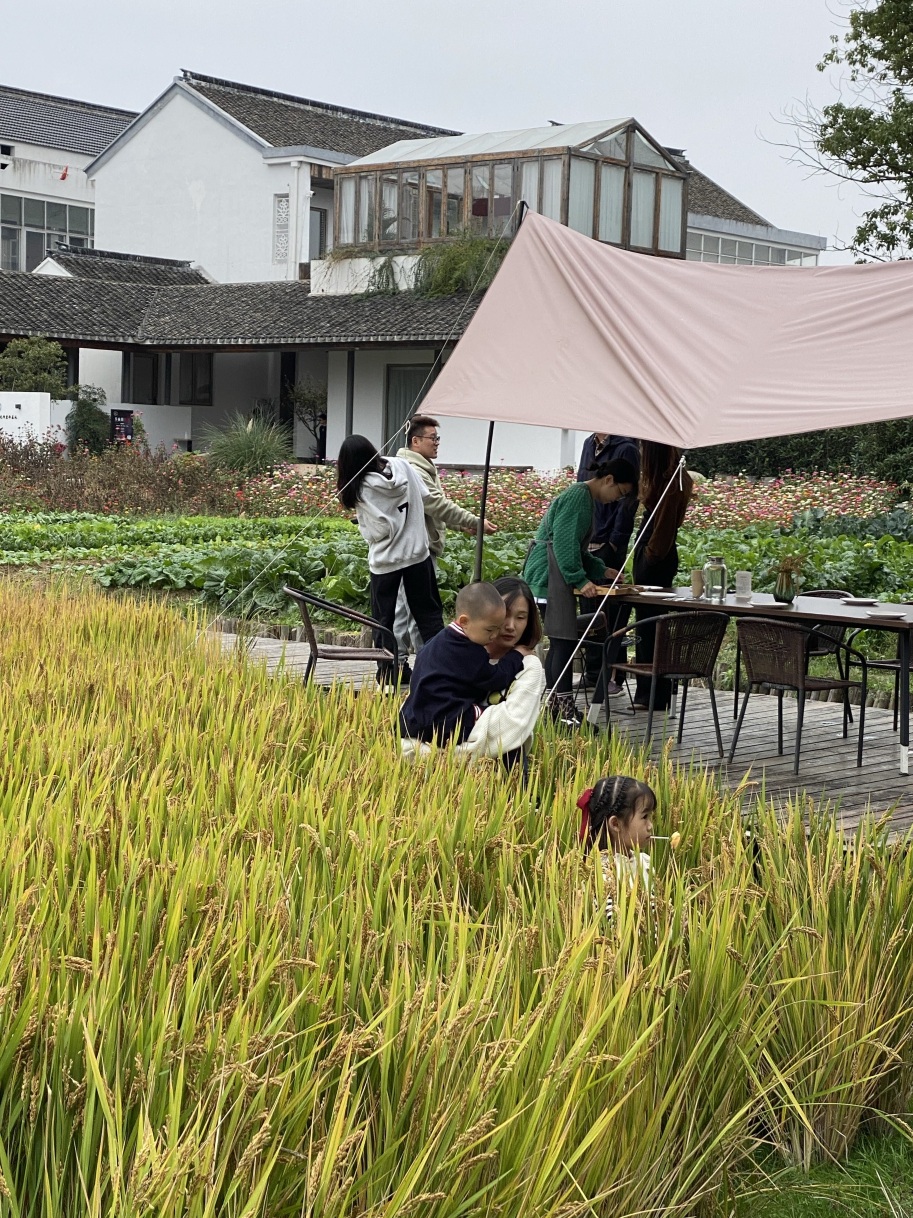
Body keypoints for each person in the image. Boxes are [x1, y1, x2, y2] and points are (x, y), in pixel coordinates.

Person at [522, 457, 637, 726]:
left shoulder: (583, 497)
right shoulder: (578, 498)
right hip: (548, 575)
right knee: (563, 639)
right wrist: (579, 579)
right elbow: (563, 544)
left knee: (561, 640)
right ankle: (563, 707)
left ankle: (555, 703)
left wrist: (602, 570)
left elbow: (575, 547)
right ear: (608, 480)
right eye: (618, 493)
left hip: (552, 573)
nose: (615, 500)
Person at [399, 575, 546, 770]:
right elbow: (423, 697)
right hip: (441, 765)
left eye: (520, 617)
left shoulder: (529, 666)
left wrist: (439, 757)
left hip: (496, 775)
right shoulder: (464, 652)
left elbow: (508, 728)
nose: (510, 625)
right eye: (504, 616)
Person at [393, 415, 496, 685]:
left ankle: (417, 664)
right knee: (407, 610)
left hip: (423, 549)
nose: (437, 443)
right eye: (432, 438)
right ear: (415, 441)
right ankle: (396, 664)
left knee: (416, 611)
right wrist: (474, 521)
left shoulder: (421, 465)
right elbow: (436, 506)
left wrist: (464, 528)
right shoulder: (412, 469)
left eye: (438, 438)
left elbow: (434, 511)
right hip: (413, 552)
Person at [336, 434, 444, 685]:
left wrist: (364, 527)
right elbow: (426, 497)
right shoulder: (403, 466)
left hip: (385, 562)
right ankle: (438, 669)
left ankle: (389, 671)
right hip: (417, 554)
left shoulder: (361, 488)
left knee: (384, 621)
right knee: (428, 616)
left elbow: (378, 531)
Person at [629, 442, 693, 711]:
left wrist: (648, 557)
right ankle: (650, 693)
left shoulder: (673, 482)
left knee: (650, 627)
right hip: (653, 554)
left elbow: (664, 530)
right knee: (648, 627)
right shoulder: (671, 479)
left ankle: (653, 695)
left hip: (656, 559)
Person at [577, 433, 641, 696]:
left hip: (609, 543)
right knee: (590, 612)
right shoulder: (588, 444)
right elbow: (584, 483)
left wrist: (615, 541)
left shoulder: (626, 448)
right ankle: (593, 675)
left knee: (612, 615)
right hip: (588, 538)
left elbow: (629, 497)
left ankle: (613, 675)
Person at [577, 775, 655, 920]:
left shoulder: (645, 863)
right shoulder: (602, 876)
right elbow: (613, 930)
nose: (650, 826)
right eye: (644, 817)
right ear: (615, 824)